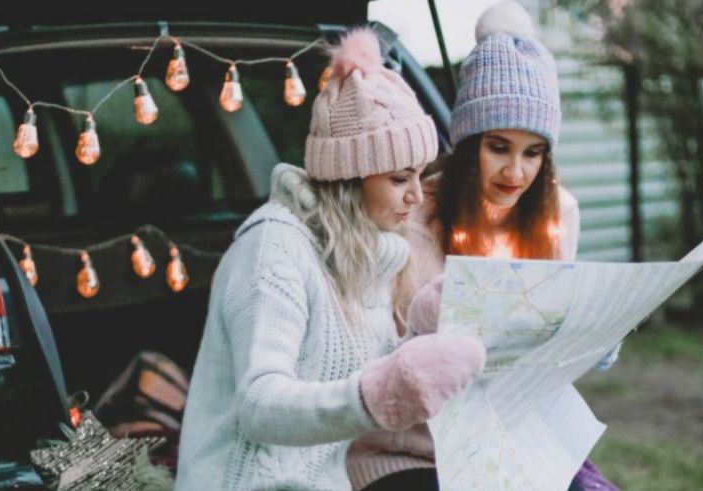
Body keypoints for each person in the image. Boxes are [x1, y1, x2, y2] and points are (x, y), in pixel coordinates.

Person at [174, 28, 486, 491]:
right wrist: (380, 394)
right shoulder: (272, 251)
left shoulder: (372, 253)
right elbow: (261, 406)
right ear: (349, 177)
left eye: (420, 175)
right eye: (400, 178)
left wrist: (422, 337)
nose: (417, 195)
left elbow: (364, 376)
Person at [346, 2, 620, 490]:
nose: (516, 173)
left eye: (533, 153)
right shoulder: (409, 218)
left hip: (515, 444)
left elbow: (548, 354)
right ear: (470, 142)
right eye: (499, 148)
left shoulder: (555, 213)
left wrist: (590, 335)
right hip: (409, 451)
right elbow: (366, 359)